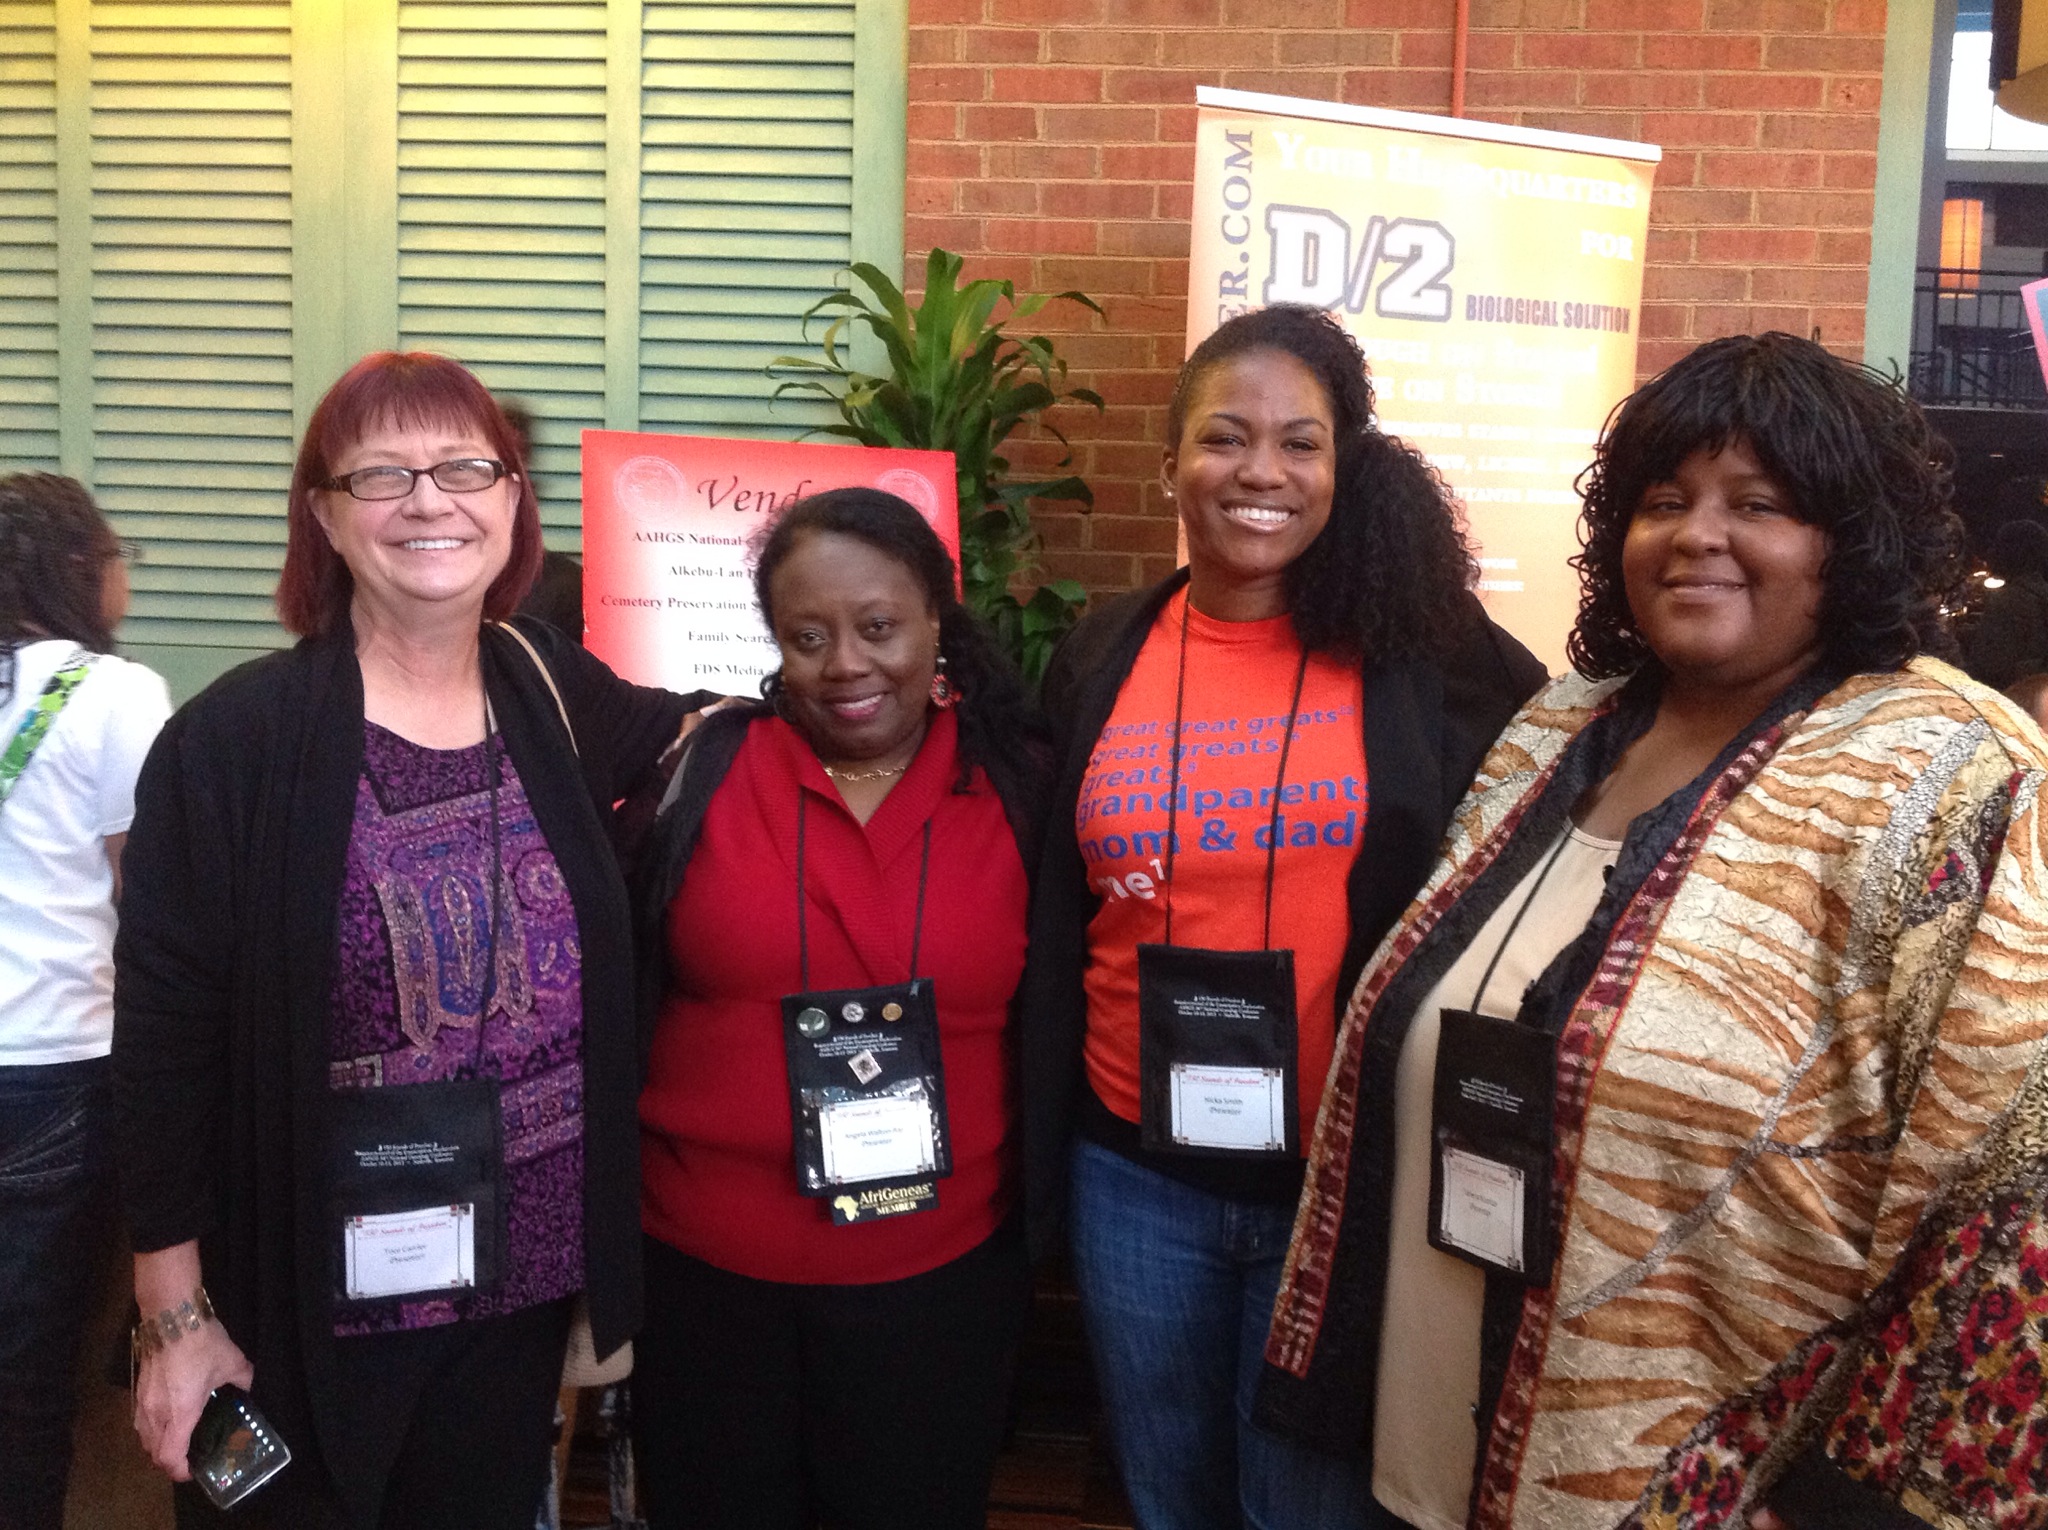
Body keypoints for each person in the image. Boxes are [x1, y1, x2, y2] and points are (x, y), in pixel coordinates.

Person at [1257, 332, 2048, 1530]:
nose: (1695, 534)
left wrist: (1863, 1512)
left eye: (1760, 504)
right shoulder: (1556, 726)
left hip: (1708, 1485)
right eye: (1661, 500)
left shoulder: (1954, 776)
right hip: (1426, 1436)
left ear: (1850, 537)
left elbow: (2016, 1181)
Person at [112, 351, 707, 1527]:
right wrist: (173, 1319)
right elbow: (163, 1049)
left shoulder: (548, 688)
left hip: (512, 1286)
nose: (428, 500)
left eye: (463, 467)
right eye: (380, 475)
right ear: (325, 519)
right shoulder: (233, 743)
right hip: (297, 1298)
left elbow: (715, 733)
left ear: (512, 501)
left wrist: (905, 679)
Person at [1018, 304, 1548, 1529]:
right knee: (1166, 1492)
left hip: (1337, 1177)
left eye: (1300, 443)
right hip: (1131, 1174)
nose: (1260, 471)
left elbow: (1563, 782)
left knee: (1299, 1508)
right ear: (1170, 465)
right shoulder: (1104, 650)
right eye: (1225, 437)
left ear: (1342, 466)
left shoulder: (1421, 653)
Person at [631, 487, 1048, 1530]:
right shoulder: (702, 770)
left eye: (878, 628)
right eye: (807, 636)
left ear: (937, 624)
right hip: (707, 1282)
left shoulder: (1019, 787)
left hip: (935, 1284)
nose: (846, 665)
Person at [0, 474, 170, 1530]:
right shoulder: (113, 694)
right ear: (78, 572)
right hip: (56, 1066)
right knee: (26, 1379)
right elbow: (145, 892)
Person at [1964, 516, 2048, 688]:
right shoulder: (2040, 593)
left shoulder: (2007, 601)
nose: (1992, 552)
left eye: (1998, 546)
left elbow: (1989, 667)